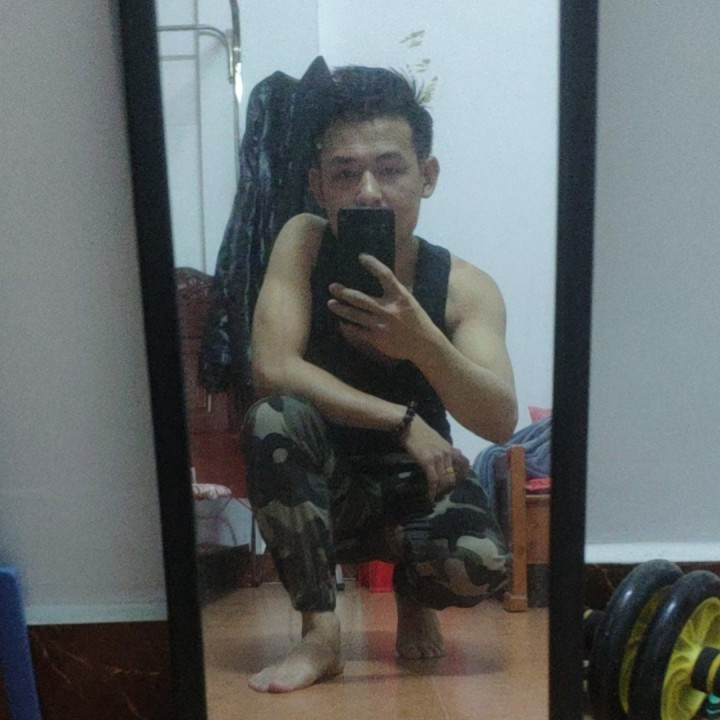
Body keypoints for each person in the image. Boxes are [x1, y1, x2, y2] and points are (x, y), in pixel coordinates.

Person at [242, 66, 518, 693]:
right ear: (317, 185)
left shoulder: (465, 288)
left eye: (390, 170)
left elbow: (499, 419)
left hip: (419, 482)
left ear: (428, 176)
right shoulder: (303, 243)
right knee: (272, 418)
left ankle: (414, 594)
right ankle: (321, 634)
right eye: (345, 174)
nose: (368, 192)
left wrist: (423, 343)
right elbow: (271, 366)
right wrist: (402, 420)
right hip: (325, 483)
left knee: (477, 565)